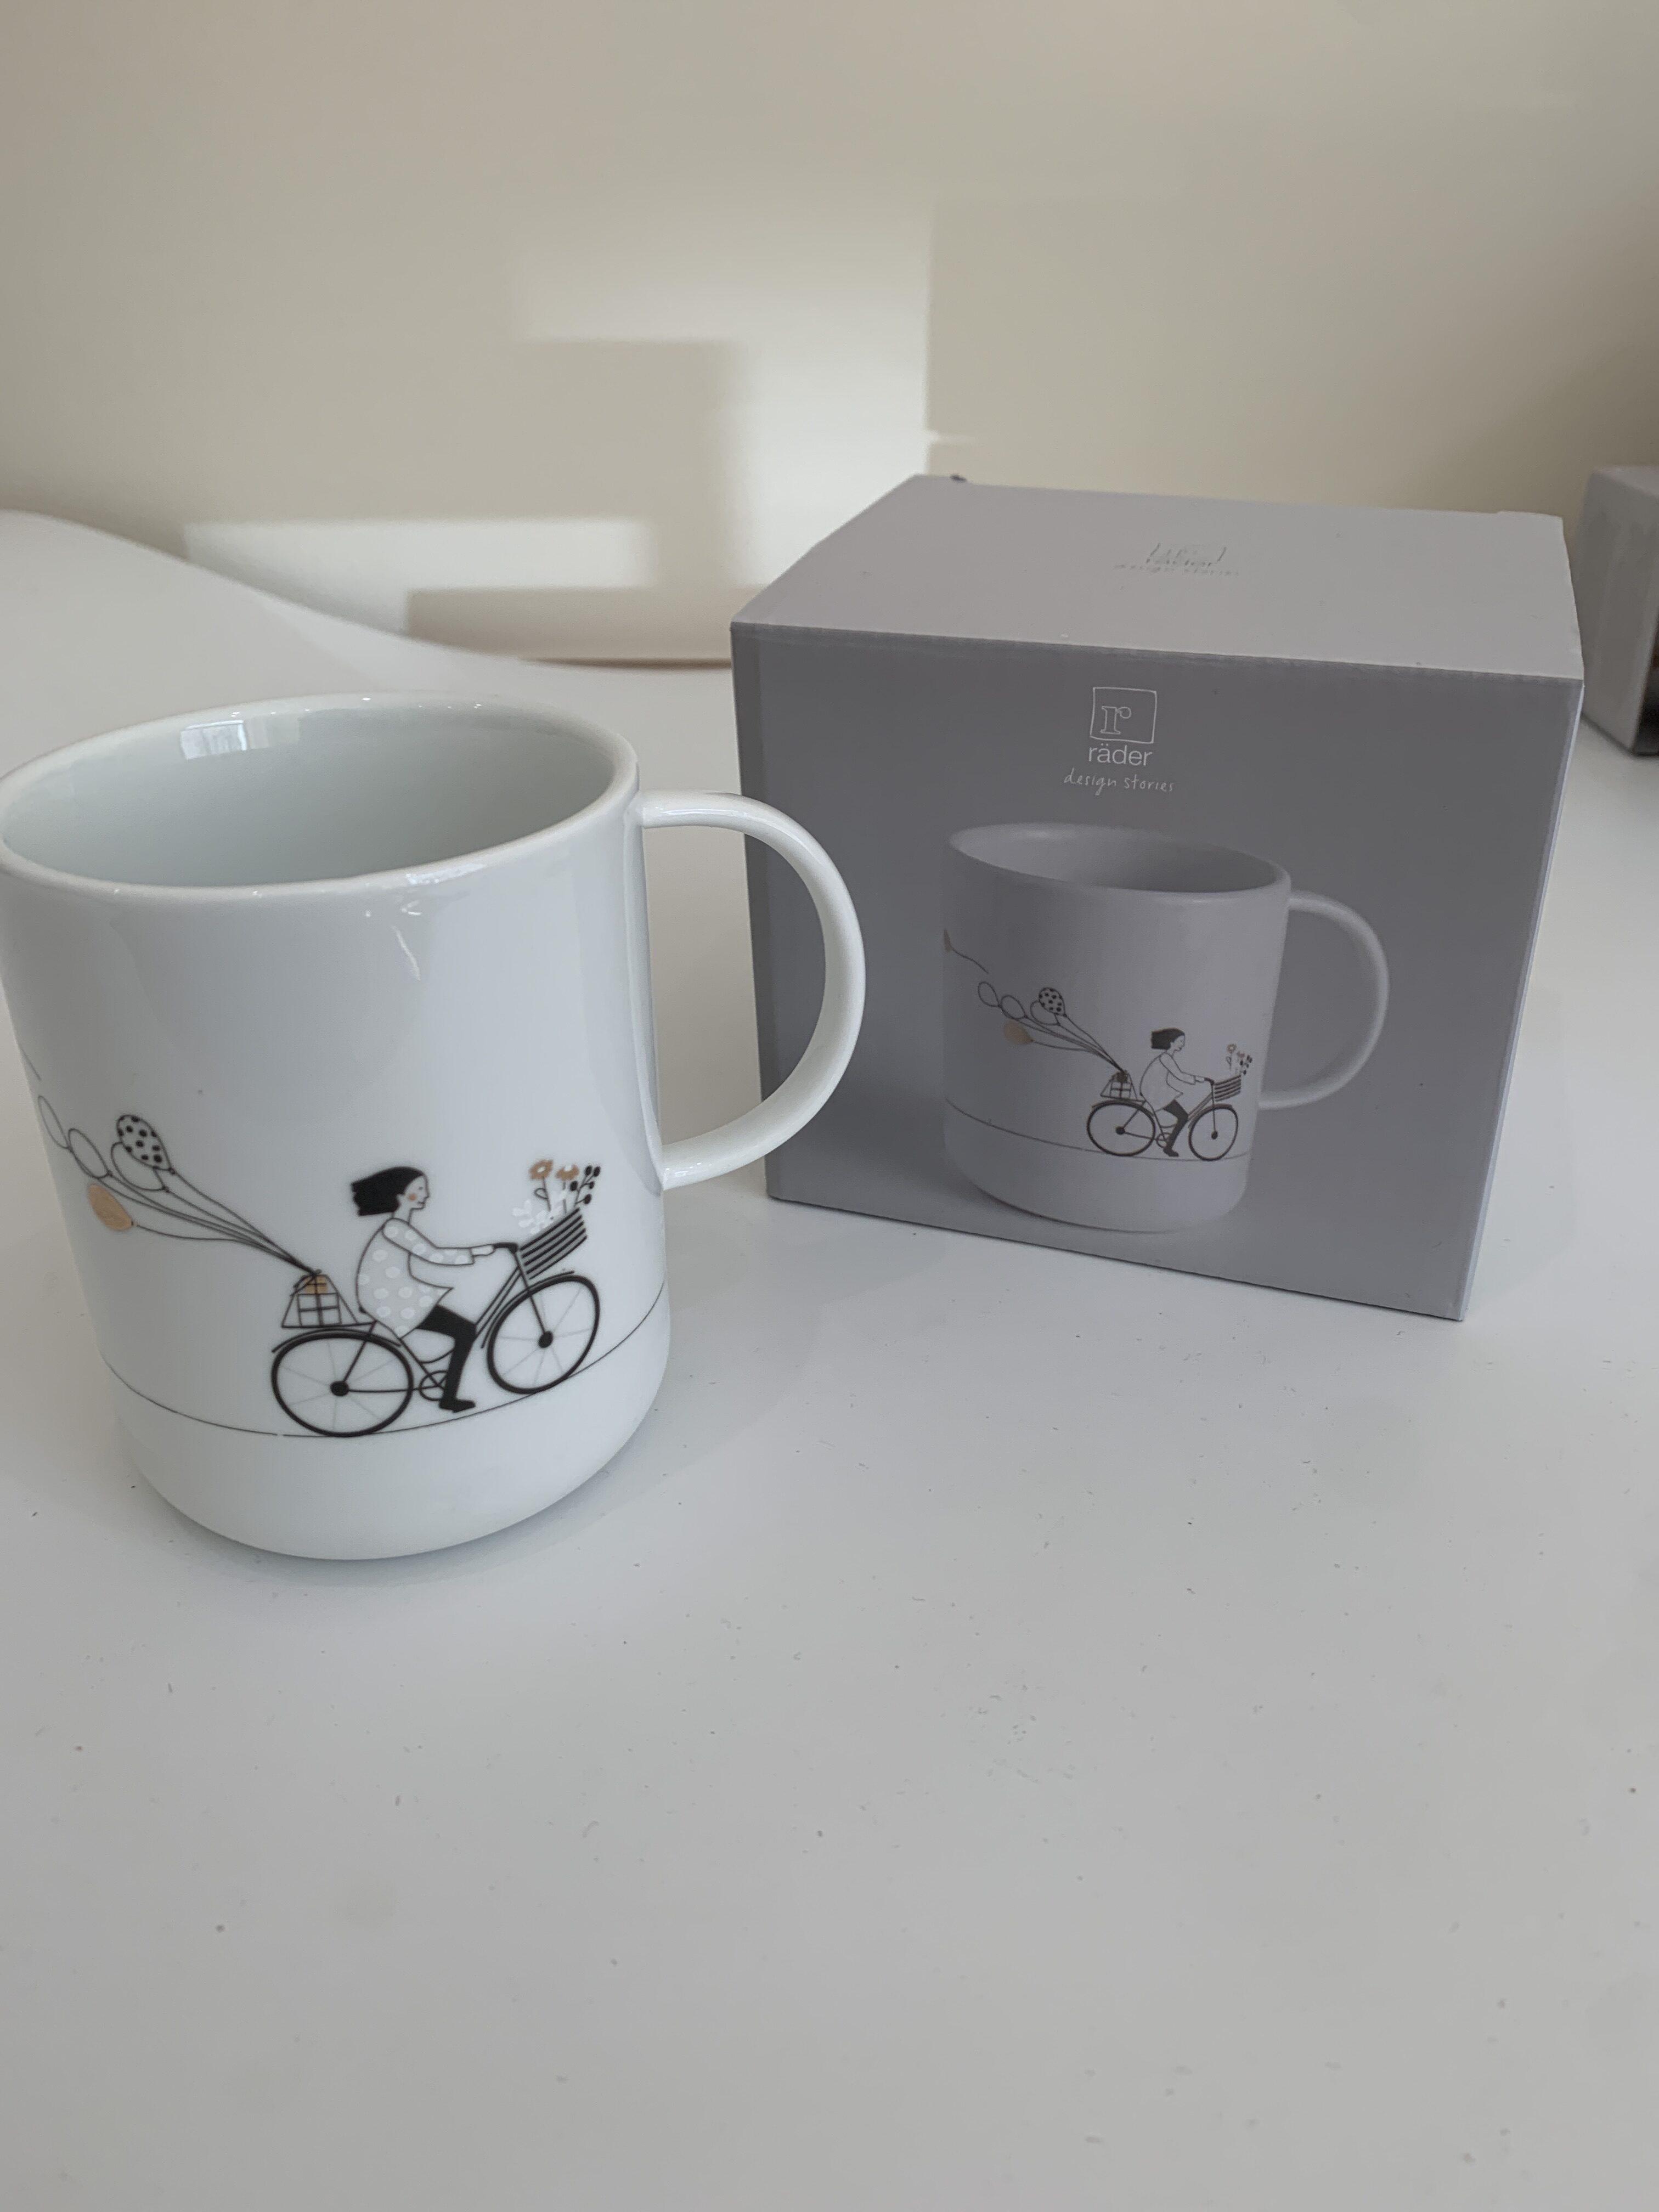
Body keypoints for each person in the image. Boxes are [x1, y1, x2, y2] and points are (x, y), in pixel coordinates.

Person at [351, 1166, 497, 1413]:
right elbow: (433, 1255)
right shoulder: (395, 1228)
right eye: (419, 1189)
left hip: (391, 1294)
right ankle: (449, 1398)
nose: (426, 1194)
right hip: (390, 1300)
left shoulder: (398, 1225)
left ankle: (448, 1394)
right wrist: (481, 1251)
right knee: (466, 1331)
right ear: (399, 1195)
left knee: (462, 1330)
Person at [1141, 1028, 1206, 1156]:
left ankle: (1168, 1144)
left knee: (1181, 1115)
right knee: (1183, 1117)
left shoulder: (1167, 1057)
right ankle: (1168, 1148)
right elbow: (1179, 1075)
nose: (1183, 1045)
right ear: (1172, 1043)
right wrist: (1201, 1079)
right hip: (1155, 1091)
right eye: (1181, 1041)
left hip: (1157, 1088)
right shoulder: (1166, 1058)